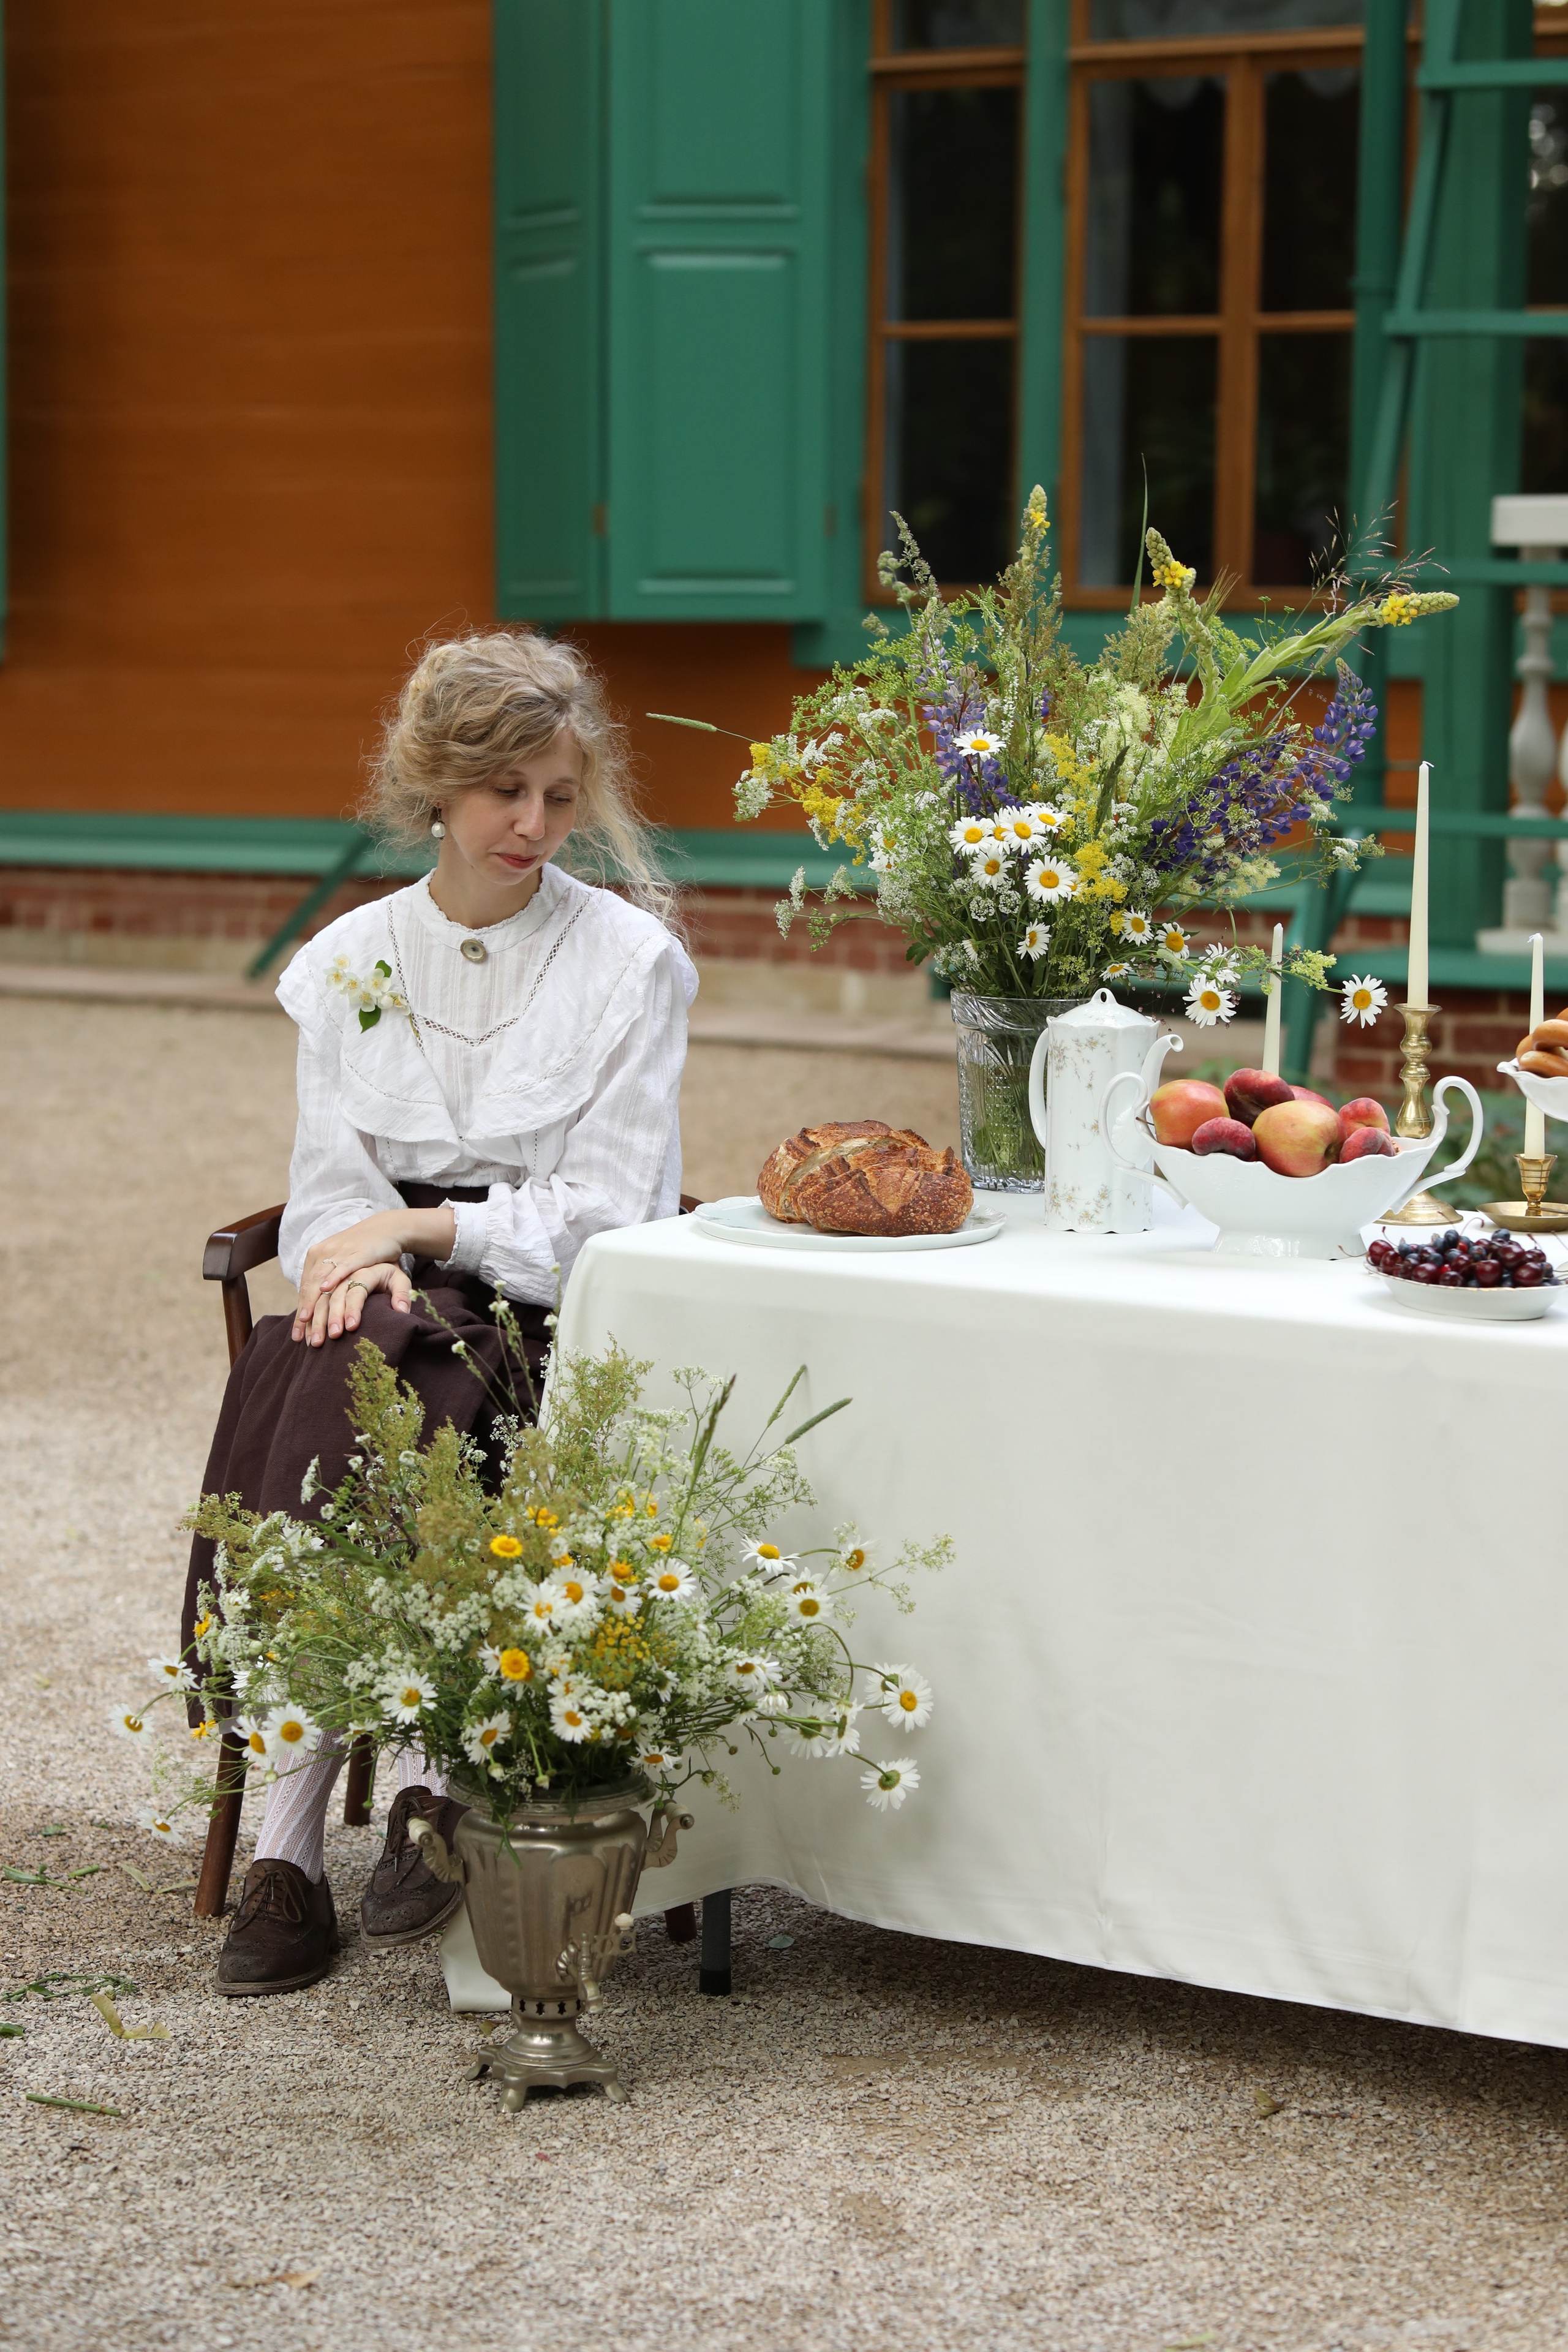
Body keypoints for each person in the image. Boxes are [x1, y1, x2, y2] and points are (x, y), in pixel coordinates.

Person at [183, 630, 695, 1996]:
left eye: (559, 796)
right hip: (374, 1297)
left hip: (542, 1312)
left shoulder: (628, 963)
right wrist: (366, 1256)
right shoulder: (351, 958)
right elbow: (325, 1187)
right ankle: (364, 1818)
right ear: (436, 792)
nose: (534, 827)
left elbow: (610, 1209)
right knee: (357, 1340)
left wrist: (424, 1230)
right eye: (503, 795)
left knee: (382, 1362)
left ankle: (316, 1834)